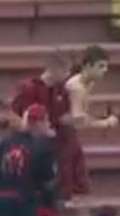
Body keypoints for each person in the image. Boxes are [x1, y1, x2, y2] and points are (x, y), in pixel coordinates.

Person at [9, 50, 78, 203]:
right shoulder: (29, 88)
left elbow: (64, 114)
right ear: (54, 68)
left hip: (53, 143)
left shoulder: (62, 91)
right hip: (31, 146)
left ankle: (62, 194)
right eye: (65, 70)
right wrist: (36, 130)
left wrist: (66, 119)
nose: (68, 75)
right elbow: (16, 117)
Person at [61, 45, 119, 200]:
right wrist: (105, 123)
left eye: (106, 66)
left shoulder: (87, 83)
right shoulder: (77, 87)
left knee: (80, 181)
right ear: (87, 66)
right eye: (101, 66)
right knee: (71, 183)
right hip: (62, 135)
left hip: (68, 134)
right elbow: (77, 121)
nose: (105, 70)